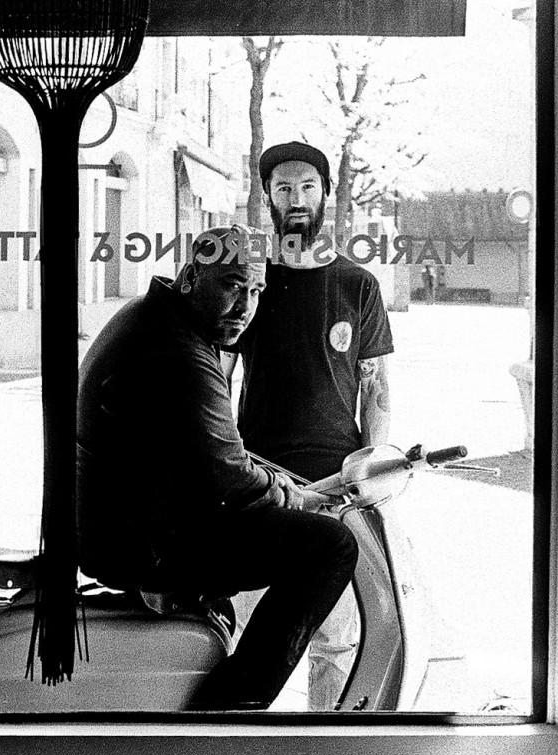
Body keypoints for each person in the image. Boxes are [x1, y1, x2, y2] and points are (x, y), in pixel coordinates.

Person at [77, 227, 359, 710]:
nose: (245, 306)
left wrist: (275, 483)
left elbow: (208, 450)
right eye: (232, 284)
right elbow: (226, 476)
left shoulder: (163, 320)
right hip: (139, 541)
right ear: (191, 277)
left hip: (131, 521)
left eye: (257, 290)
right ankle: (230, 710)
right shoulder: (176, 347)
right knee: (329, 546)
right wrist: (293, 495)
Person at [224, 141, 395, 710]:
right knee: (246, 632)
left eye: (306, 187)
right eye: (283, 189)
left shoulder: (357, 285)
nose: (295, 199)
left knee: (336, 637)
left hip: (336, 488)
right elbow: (217, 378)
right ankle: (237, 745)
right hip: (259, 484)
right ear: (268, 198)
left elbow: (376, 387)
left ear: (325, 194)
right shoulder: (249, 284)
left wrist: (373, 472)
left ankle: (323, 741)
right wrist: (220, 466)